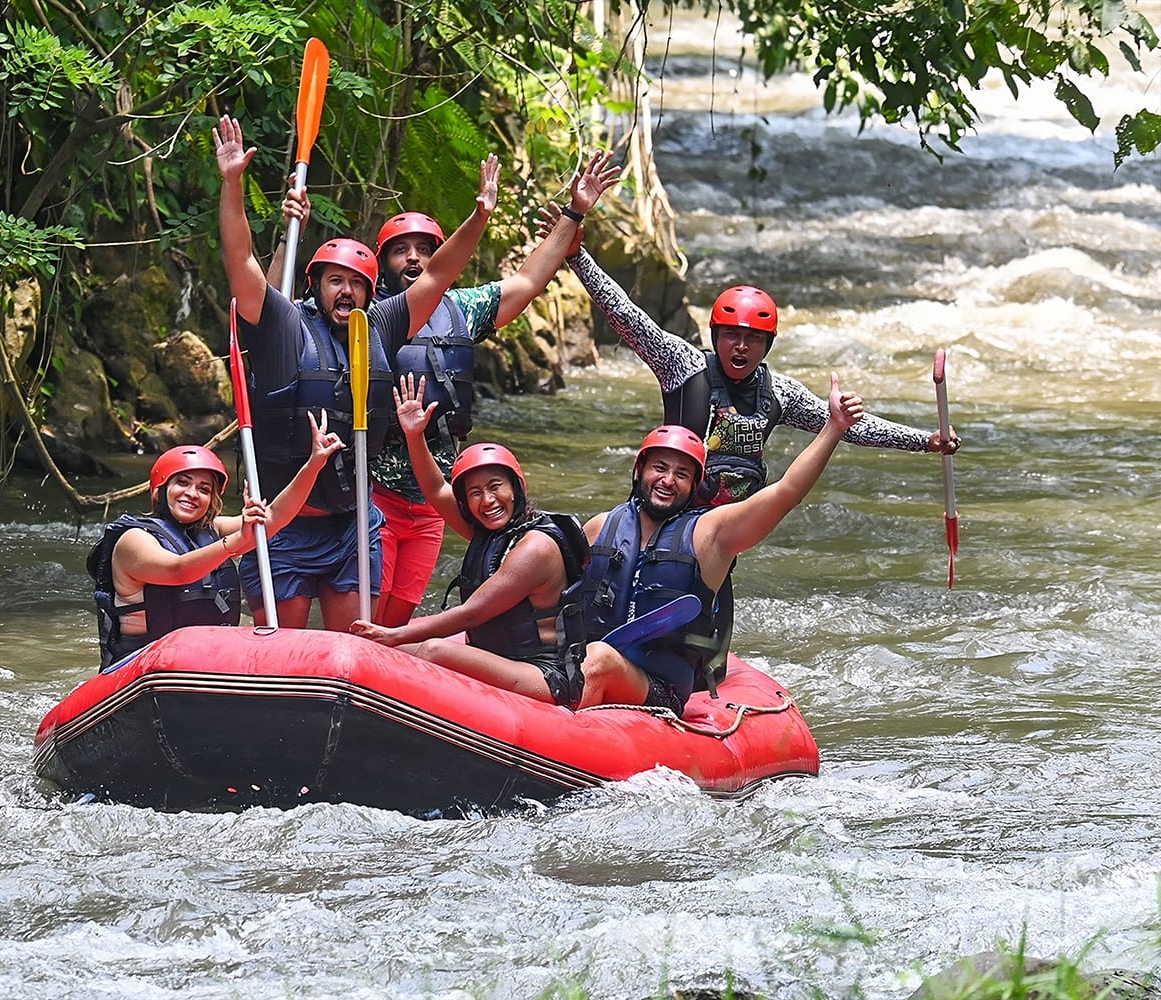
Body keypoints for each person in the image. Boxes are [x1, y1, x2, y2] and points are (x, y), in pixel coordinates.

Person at [276, 152, 622, 627]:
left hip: (436, 497)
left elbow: (527, 280)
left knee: (398, 621)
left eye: (425, 248)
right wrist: (286, 236)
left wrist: (575, 213)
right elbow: (273, 317)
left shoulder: (461, 308)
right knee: (365, 618)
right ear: (381, 264)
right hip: (370, 493)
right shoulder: (356, 315)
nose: (414, 258)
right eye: (401, 250)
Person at [213, 114, 497, 630]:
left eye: (356, 284)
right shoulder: (283, 326)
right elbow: (240, 262)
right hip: (284, 526)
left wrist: (478, 216)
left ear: (371, 291)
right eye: (334, 281)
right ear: (316, 286)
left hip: (352, 524)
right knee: (285, 650)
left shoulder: (380, 326)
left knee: (355, 648)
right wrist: (232, 184)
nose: (346, 292)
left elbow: (438, 274)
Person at [548, 220, 960, 506]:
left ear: (767, 346)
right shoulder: (682, 364)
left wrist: (924, 440)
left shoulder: (780, 393)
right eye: (731, 335)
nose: (740, 347)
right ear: (715, 338)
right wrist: (576, 256)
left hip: (729, 521)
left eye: (752, 339)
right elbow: (626, 315)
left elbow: (849, 426)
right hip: (667, 505)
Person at [574, 373, 866, 717]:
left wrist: (833, 428)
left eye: (682, 474)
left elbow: (786, 493)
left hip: (658, 688)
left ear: (695, 484)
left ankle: (561, 738)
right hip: (589, 662)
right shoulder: (599, 527)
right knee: (586, 658)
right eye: (660, 467)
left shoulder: (710, 535)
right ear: (639, 471)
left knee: (601, 660)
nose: (668, 480)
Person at [348, 375, 590, 707]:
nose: (487, 500)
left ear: (517, 489)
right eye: (475, 493)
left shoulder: (536, 547)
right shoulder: (488, 533)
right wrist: (414, 436)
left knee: (431, 649)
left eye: (495, 487)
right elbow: (435, 490)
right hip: (500, 659)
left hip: (544, 675)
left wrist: (392, 633)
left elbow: (471, 614)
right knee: (387, 652)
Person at [88, 413, 344, 666]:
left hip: (200, 661)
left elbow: (275, 517)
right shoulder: (133, 539)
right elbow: (177, 570)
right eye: (183, 483)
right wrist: (236, 541)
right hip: (143, 664)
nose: (192, 493)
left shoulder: (211, 530)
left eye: (204, 489)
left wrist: (314, 464)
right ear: (161, 489)